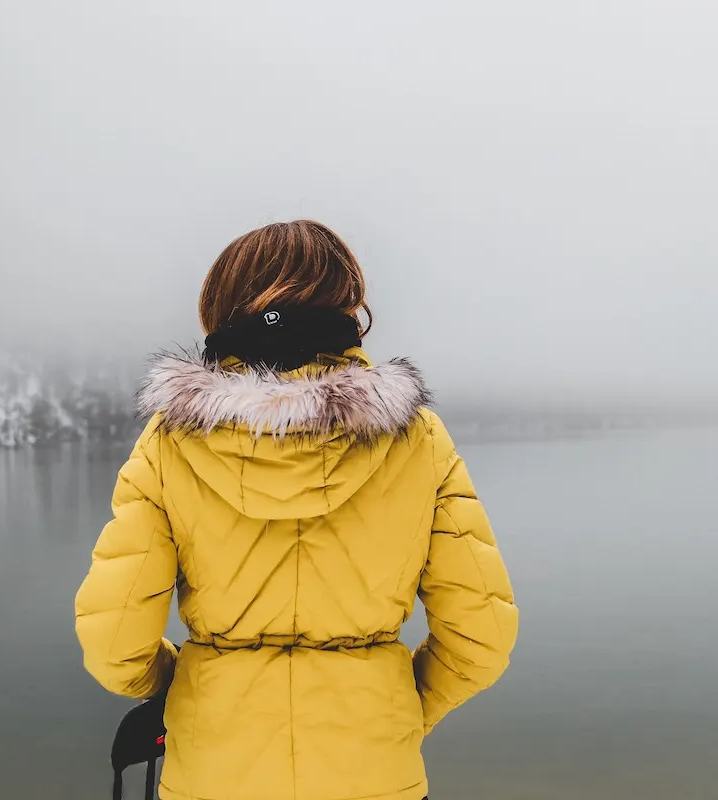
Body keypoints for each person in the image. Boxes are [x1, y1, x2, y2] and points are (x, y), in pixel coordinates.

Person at [75, 220, 519, 800]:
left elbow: (114, 647)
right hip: (374, 774)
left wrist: (189, 692)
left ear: (220, 308)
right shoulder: (417, 438)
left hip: (214, 774)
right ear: (348, 309)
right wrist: (393, 705)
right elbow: (480, 640)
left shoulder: (170, 441)